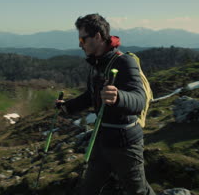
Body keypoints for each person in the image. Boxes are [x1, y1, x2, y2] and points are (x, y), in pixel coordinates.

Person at [57, 14, 156, 195]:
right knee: (88, 188)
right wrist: (67, 107)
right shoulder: (97, 64)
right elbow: (91, 96)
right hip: (102, 139)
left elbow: (139, 99)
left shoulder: (124, 61)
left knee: (138, 191)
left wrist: (119, 97)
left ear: (97, 37)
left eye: (82, 39)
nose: (80, 44)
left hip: (125, 142)